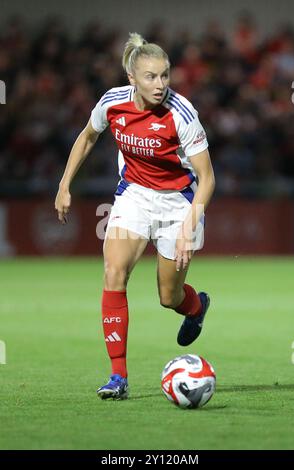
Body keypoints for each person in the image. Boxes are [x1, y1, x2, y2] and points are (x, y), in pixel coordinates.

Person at [55, 32, 215, 400]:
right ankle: (118, 376)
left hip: (179, 203)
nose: (160, 85)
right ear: (132, 78)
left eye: (165, 75)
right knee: (113, 272)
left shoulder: (182, 114)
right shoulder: (112, 103)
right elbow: (87, 136)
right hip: (134, 197)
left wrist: (190, 226)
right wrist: (65, 184)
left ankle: (195, 306)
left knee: (168, 297)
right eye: (151, 77)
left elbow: (207, 179)